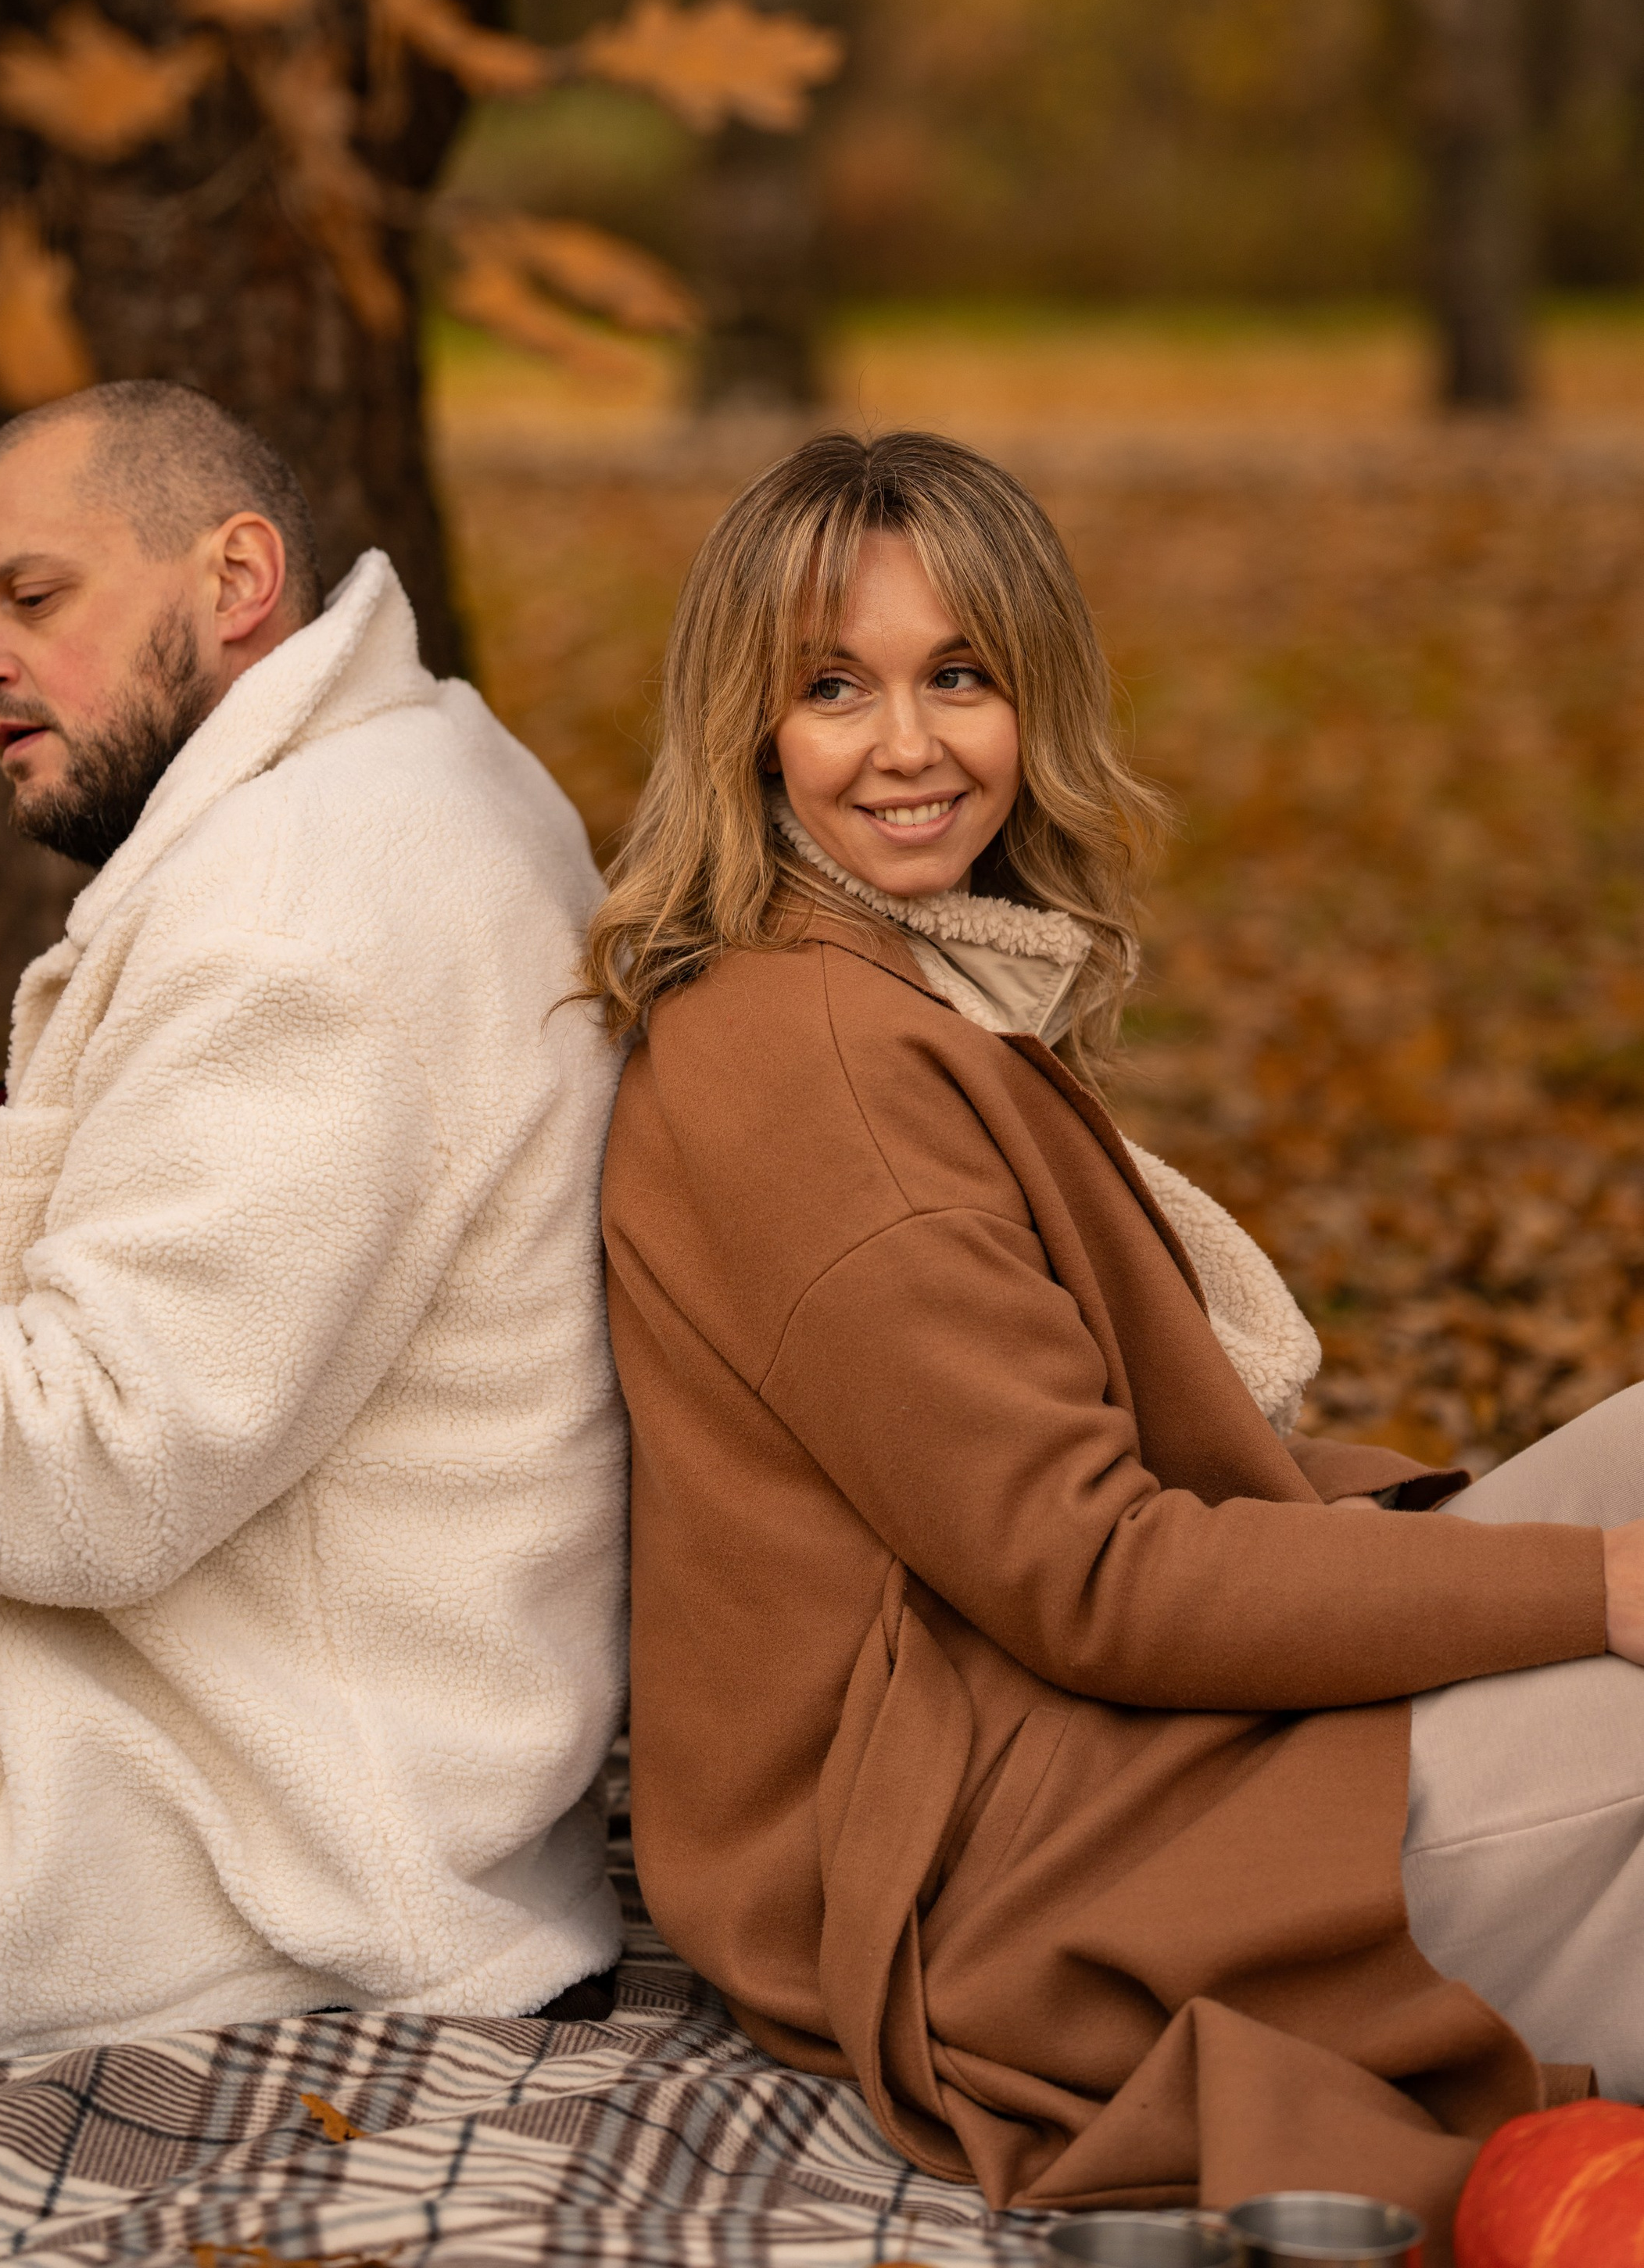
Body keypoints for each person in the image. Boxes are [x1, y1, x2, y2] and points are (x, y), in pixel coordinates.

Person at [592, 426, 1644, 2256]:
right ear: (744, 727)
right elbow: (1093, 1579)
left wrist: (1473, 1551)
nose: (905, 744)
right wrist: (1595, 1590)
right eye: (831, 687)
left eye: (958, 675)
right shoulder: (815, 1064)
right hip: (1023, 1858)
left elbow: (1099, 1485)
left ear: (1033, 694)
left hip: (1077, 1728)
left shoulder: (896, 983)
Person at [0, 381, 625, 2062]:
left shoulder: (304, 915)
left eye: (32, 597)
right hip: (263, 1733)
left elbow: (87, 1469)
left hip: (202, 1839)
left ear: (236, 579)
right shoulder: (401, 777)